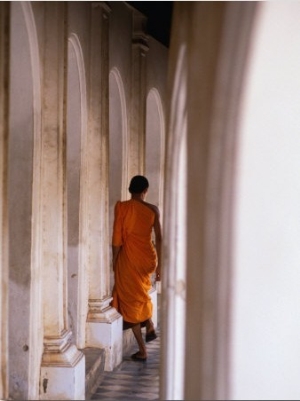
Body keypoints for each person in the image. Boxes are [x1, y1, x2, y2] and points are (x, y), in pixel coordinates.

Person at [111, 175, 162, 361]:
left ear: (129, 189)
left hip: (129, 259)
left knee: (130, 301)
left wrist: (114, 260)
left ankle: (142, 350)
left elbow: (117, 239)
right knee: (139, 293)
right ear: (145, 191)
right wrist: (160, 266)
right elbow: (160, 239)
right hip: (147, 258)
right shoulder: (153, 210)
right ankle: (148, 324)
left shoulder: (123, 208)